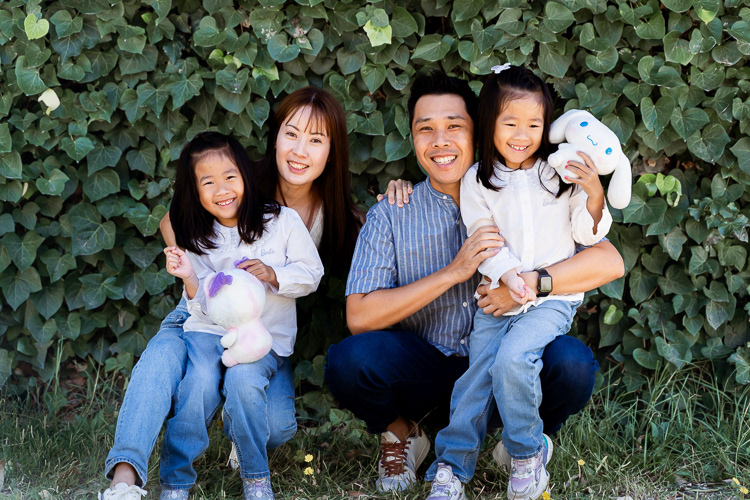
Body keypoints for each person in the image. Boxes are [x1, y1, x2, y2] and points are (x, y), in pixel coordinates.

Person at [325, 70, 625, 493]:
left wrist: (527, 285)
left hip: (512, 362)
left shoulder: (534, 189)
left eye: (454, 127)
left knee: (573, 364)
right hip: (430, 371)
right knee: (350, 360)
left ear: (478, 132)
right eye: (425, 129)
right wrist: (454, 271)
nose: (440, 141)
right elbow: (359, 317)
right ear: (412, 138)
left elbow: (608, 260)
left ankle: (519, 444)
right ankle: (405, 434)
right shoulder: (392, 211)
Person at [101, 86, 406, 499]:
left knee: (275, 425)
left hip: (264, 332)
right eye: (291, 134)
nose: (300, 150)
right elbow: (173, 220)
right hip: (201, 314)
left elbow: (361, 255)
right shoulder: (240, 181)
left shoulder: (332, 212)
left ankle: (238, 428)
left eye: (316, 140)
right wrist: (195, 270)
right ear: (275, 137)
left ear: (332, 152)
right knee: (160, 365)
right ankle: (125, 481)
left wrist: (397, 198)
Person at [423, 65, 614, 500]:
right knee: (475, 378)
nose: (522, 135)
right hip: (498, 294)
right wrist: (510, 277)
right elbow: (484, 238)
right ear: (489, 122)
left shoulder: (559, 174)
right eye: (510, 123)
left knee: (513, 359)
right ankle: (451, 467)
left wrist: (594, 193)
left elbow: (587, 235)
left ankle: (526, 456)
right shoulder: (478, 180)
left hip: (552, 300)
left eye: (534, 124)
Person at [101, 132, 324, 500]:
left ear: (246, 176)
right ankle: (165, 482)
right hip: (205, 330)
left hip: (260, 342)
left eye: (230, 177)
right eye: (208, 183)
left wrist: (273, 274)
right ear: (195, 190)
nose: (222, 189)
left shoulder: (281, 221)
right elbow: (200, 300)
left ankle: (240, 430)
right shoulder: (197, 232)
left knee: (273, 423)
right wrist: (189, 275)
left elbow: (311, 273)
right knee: (197, 381)